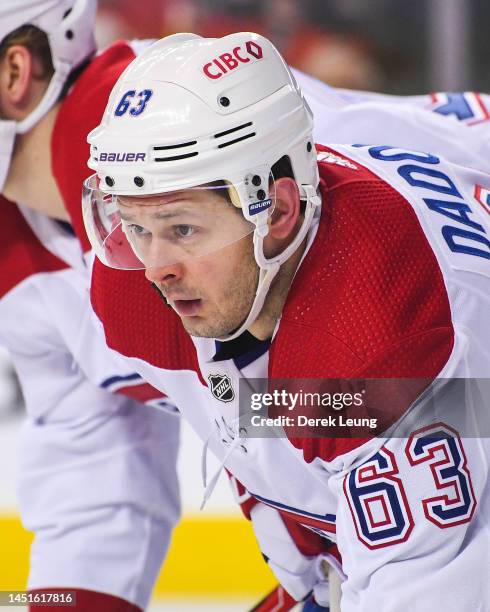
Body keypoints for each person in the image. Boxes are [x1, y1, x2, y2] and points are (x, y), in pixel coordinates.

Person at [2, 5, 489, 607]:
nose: (156, 268)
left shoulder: (376, 323)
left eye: (180, 228)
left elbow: (433, 579)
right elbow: (112, 453)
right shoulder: (137, 263)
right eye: (133, 226)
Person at [0, 2, 181, 610]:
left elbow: (358, 392)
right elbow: (95, 462)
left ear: (13, 74)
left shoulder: (185, 127)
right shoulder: (13, 237)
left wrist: (316, 551)